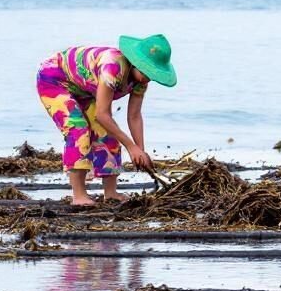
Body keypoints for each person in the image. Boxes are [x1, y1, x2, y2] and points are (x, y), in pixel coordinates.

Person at [35, 34, 177, 206]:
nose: (148, 77)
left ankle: (110, 193)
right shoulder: (112, 68)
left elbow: (134, 116)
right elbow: (102, 114)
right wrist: (130, 146)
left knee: (107, 133)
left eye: (153, 73)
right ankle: (79, 195)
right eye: (147, 71)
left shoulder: (141, 80)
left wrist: (140, 150)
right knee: (77, 129)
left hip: (84, 88)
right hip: (54, 78)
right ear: (135, 62)